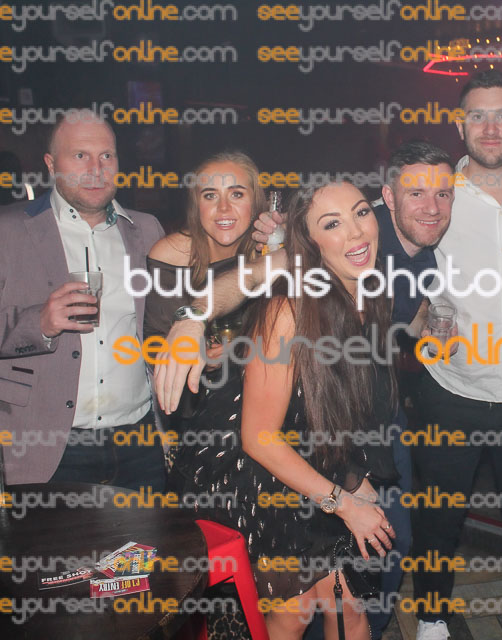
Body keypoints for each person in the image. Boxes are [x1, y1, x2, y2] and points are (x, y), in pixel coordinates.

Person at [154, 140, 455, 640]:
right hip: (263, 476)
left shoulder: (371, 285)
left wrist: (356, 476)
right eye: (332, 223)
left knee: (347, 608)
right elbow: (259, 437)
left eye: (360, 213)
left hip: (324, 458)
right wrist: (190, 318)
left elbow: (351, 397)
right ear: (308, 243)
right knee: (292, 614)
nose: (355, 231)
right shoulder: (290, 305)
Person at [0, 109, 166, 489]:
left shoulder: (146, 229)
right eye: (80, 155)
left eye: (106, 156)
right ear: (50, 164)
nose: (96, 169)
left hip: (138, 443)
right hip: (44, 445)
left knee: (148, 532)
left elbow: (169, 315)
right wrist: (38, 323)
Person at [410, 69, 502, 640]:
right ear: (459, 124)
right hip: (451, 385)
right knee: (437, 518)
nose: (491, 128)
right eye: (478, 116)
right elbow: (365, 236)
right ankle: (431, 617)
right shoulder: (435, 192)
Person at [144, 151, 265, 424]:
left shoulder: (267, 250)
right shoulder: (173, 254)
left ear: (256, 201)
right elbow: (155, 344)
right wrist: (198, 361)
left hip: (262, 396)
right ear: (196, 205)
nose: (223, 208)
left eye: (236, 194)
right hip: (199, 410)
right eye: (210, 195)